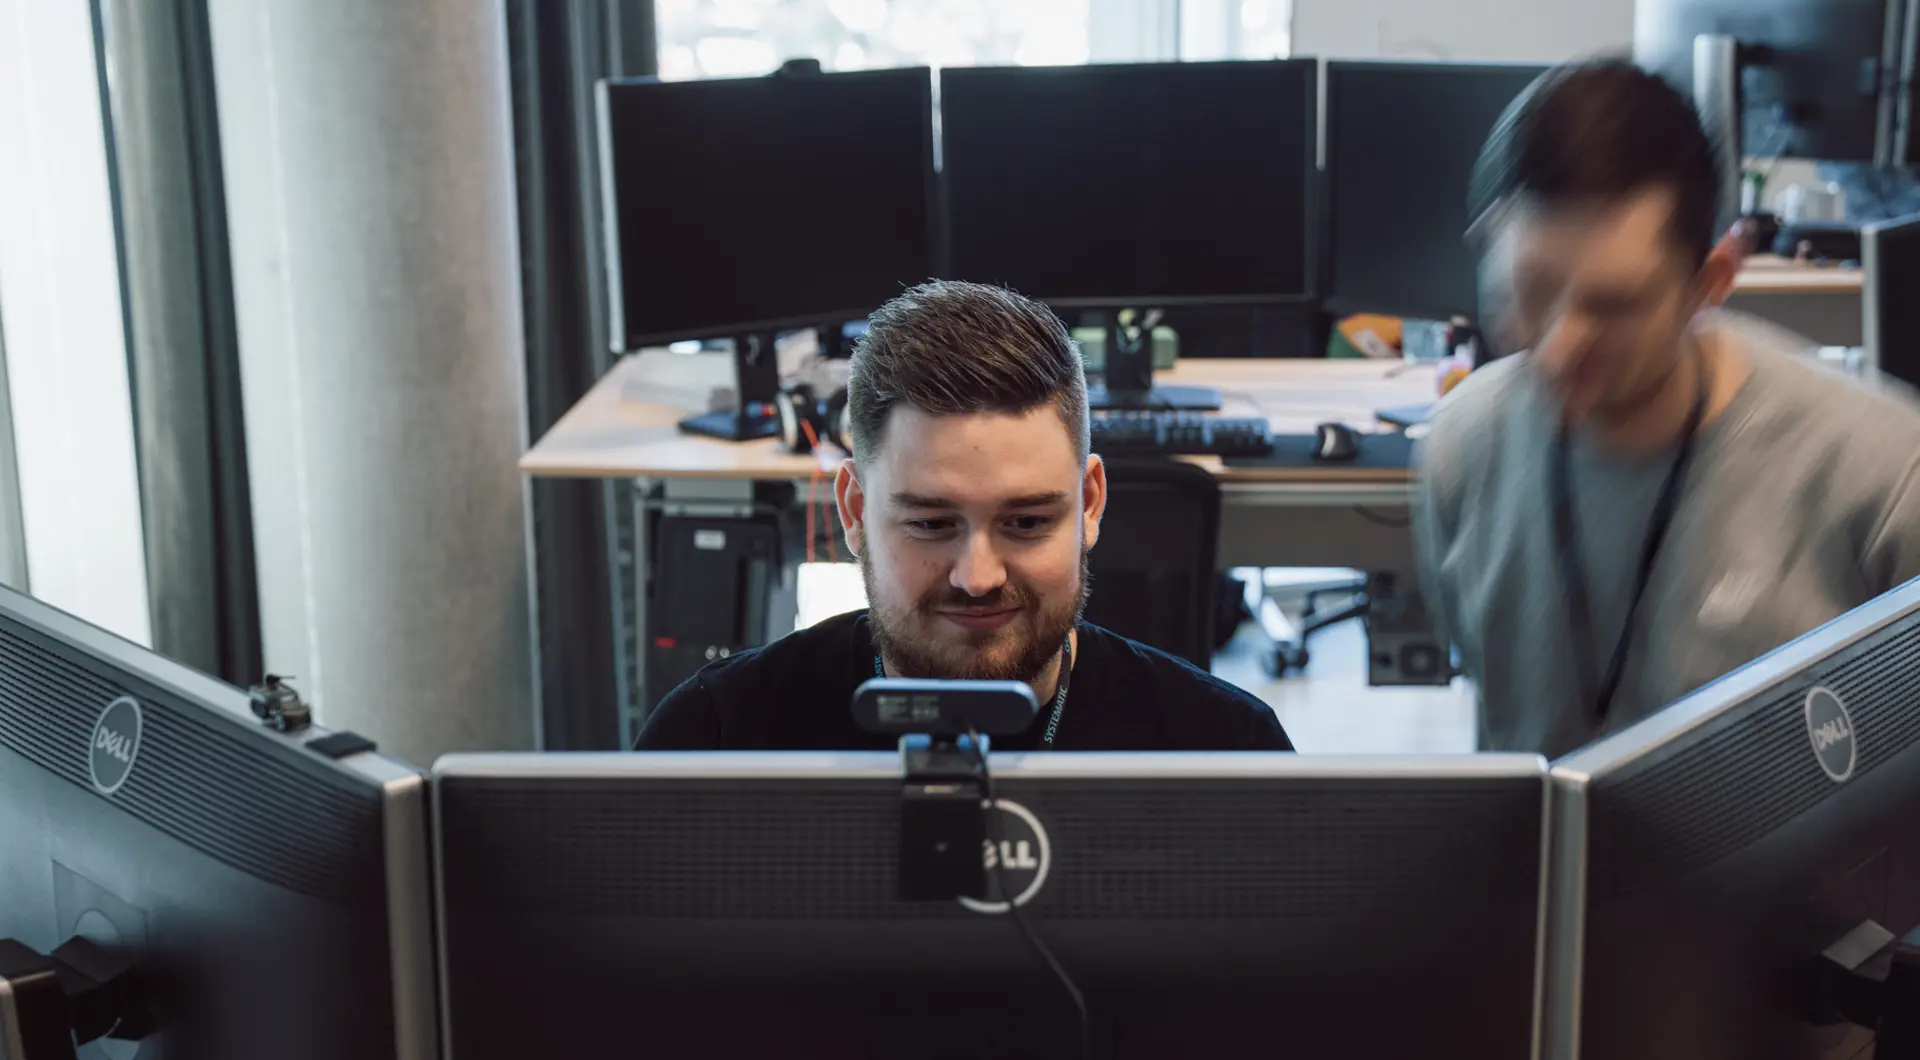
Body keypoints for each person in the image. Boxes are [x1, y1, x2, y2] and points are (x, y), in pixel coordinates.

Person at [1415, 60, 1920, 759]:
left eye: (1614, 305)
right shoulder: (1462, 448)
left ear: (1709, 284)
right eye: (1531, 289)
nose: (1559, 348)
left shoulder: (1884, 478)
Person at [637, 279, 1291, 752]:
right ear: (855, 510)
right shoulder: (714, 740)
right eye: (931, 524)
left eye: (1027, 523)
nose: (977, 578)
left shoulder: (1227, 751)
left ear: (1091, 502)